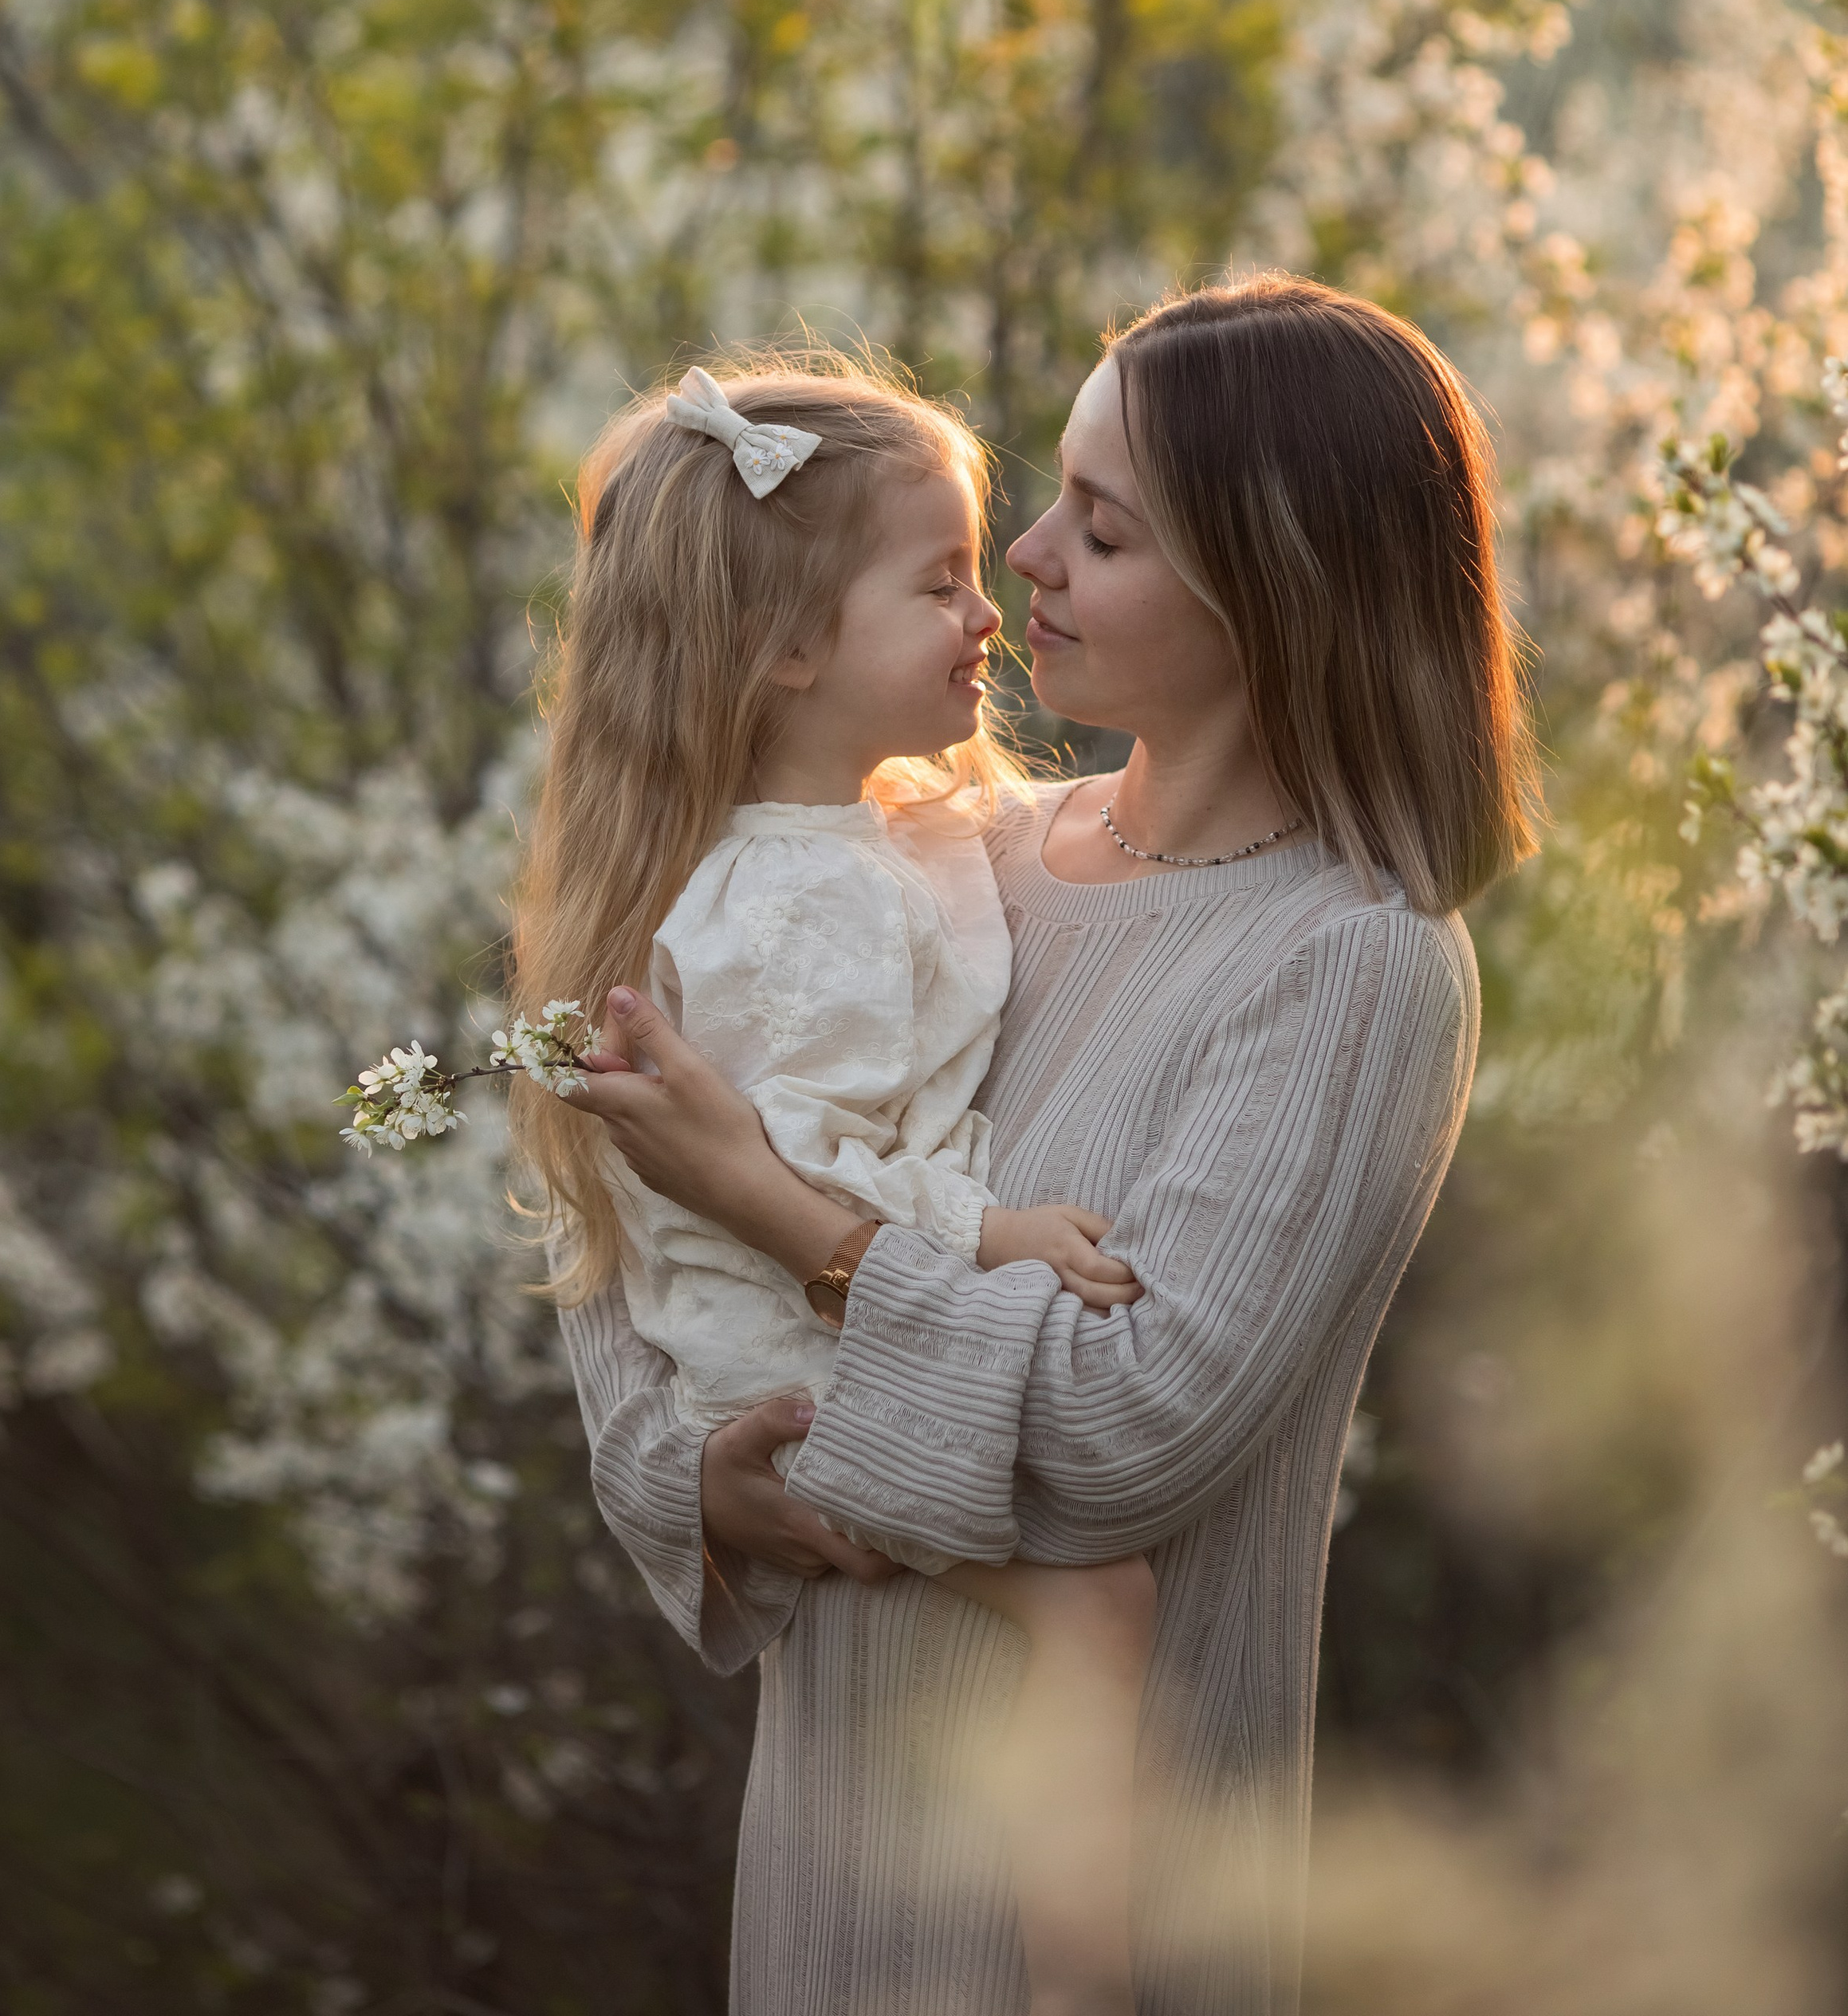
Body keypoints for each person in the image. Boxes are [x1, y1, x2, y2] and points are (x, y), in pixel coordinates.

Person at [562, 274, 1539, 2016]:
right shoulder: (941, 845)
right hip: (827, 1875)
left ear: (1274, 587)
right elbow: (630, 1203)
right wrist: (691, 1475)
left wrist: (796, 1225)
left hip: (1090, 1935)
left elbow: (1118, 1436)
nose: (1025, 556)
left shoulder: (1350, 966)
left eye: (1102, 528)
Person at [505, 353, 1170, 2016]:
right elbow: (779, 1161)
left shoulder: (856, 842)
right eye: (938, 584)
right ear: (789, 647)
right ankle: (1079, 1988)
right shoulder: (789, 910)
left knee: (1086, 1611)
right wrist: (989, 1233)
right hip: (800, 1371)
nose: (988, 614)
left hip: (818, 1333)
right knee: (1093, 1606)